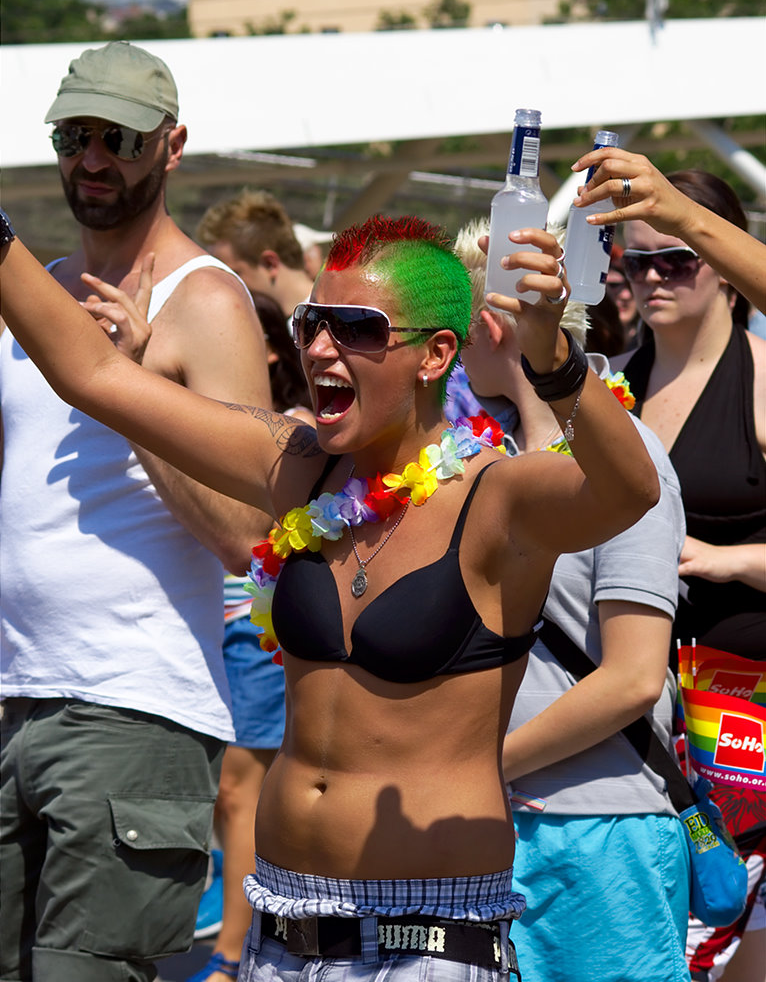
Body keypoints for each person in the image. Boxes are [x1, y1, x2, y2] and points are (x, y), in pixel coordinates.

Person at [0, 208, 661, 981]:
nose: (317, 348)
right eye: (314, 320)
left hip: (427, 939)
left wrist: (554, 361)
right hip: (282, 931)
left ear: (435, 353)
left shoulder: (498, 498)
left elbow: (628, 489)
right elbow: (96, 375)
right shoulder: (299, 468)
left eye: (356, 327)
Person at [0, 42, 271, 982]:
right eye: (73, 135)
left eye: (116, 136)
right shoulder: (33, 292)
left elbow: (251, 534)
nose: (92, 158)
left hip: (133, 711)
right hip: (13, 702)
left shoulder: (207, 301)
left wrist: (134, 385)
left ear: (172, 146)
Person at [455, 217, 691, 982]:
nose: (447, 347)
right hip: (502, 827)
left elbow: (633, 677)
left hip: (599, 833)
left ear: (492, 322)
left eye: (453, 323)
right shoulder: (488, 464)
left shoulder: (629, 458)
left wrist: (482, 764)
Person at [571, 147, 766, 982]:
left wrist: (727, 559)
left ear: (722, 265)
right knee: (670, 927)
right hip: (644, 701)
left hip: (748, 700)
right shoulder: (614, 383)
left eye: (677, 258)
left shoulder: (762, 379)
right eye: (635, 260)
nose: (653, 278)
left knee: (739, 927)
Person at [189, 291, 313, 982]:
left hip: (260, 638)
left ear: (270, 350)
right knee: (234, 794)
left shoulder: (293, 430)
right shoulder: (225, 425)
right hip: (227, 632)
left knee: (240, 794)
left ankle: (232, 954)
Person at [196, 189, 315, 320]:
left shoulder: (324, 326)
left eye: (233, 273)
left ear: (270, 264)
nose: (223, 284)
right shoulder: (291, 323)